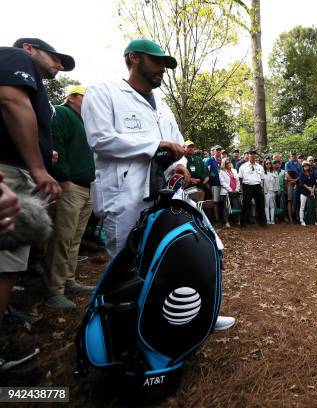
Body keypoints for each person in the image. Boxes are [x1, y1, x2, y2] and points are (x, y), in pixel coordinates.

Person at [82, 39, 234, 330]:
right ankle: (126, 332)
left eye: (166, 64)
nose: (163, 69)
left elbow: (178, 145)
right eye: (157, 62)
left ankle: (191, 318)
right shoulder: (104, 93)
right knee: (128, 265)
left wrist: (181, 165)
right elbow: (101, 140)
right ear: (134, 58)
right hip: (124, 197)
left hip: (165, 195)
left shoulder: (162, 106)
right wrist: (154, 145)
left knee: (173, 257)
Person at [0, 37, 71, 369]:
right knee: (4, 264)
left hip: (16, 172)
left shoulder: (34, 83)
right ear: (29, 48)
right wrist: (39, 167)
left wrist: (44, 151)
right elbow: (11, 101)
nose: (59, 65)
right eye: (55, 57)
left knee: (10, 263)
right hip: (10, 175)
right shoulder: (16, 57)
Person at [45, 85, 96, 310]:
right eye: (86, 97)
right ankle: (54, 290)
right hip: (70, 185)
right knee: (62, 239)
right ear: (73, 97)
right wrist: (63, 179)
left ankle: (68, 280)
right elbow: (56, 144)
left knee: (75, 239)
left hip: (87, 187)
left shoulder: (86, 122)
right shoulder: (62, 112)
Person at [237, 150, 266, 227]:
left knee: (260, 204)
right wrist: (242, 188)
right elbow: (240, 178)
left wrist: (261, 188)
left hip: (257, 186)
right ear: (248, 156)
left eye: (254, 154)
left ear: (255, 156)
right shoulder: (243, 166)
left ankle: (262, 222)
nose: (252, 156)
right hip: (247, 186)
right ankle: (243, 223)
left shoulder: (260, 167)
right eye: (251, 154)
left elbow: (262, 178)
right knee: (245, 205)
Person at [219, 158, 240, 227]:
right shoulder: (221, 172)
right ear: (224, 164)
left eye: (229, 162)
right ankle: (226, 221)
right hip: (226, 192)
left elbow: (237, 180)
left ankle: (237, 220)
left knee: (236, 205)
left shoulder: (234, 170)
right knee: (226, 207)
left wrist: (237, 189)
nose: (229, 164)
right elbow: (222, 182)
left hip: (235, 191)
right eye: (227, 163)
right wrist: (230, 189)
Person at [205, 145, 223, 223]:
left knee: (222, 201)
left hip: (223, 184)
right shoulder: (210, 160)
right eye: (217, 150)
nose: (218, 151)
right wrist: (208, 184)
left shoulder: (223, 160)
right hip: (214, 184)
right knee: (215, 201)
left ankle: (222, 217)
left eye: (220, 150)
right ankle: (216, 218)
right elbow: (206, 172)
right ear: (214, 151)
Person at [298, 161, 317, 227]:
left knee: (312, 207)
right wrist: (308, 188)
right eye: (304, 165)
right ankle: (302, 220)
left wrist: (313, 189)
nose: (306, 166)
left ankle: (312, 220)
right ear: (303, 167)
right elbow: (302, 183)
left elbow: (314, 183)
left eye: (307, 165)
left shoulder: (312, 174)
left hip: (311, 192)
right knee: (302, 207)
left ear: (309, 166)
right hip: (304, 192)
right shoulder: (301, 174)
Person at [262, 159, 279, 224]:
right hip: (266, 191)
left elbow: (276, 183)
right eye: (267, 163)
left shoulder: (274, 173)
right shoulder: (263, 173)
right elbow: (262, 183)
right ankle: (268, 220)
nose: (268, 165)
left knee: (272, 206)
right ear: (264, 165)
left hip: (273, 191)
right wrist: (264, 192)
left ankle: (272, 219)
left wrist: (276, 191)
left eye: (269, 163)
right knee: (266, 206)